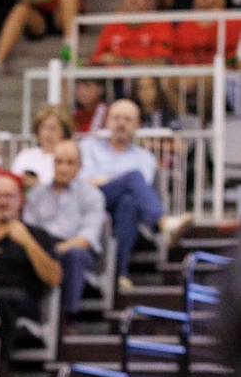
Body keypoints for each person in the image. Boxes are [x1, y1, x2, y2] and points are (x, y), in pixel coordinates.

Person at [79, 99, 190, 292]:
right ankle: (163, 223)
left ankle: (119, 274)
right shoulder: (88, 147)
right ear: (107, 121)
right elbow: (81, 182)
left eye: (127, 119)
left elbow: (139, 191)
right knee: (133, 178)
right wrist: (112, 181)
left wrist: (106, 179)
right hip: (90, 203)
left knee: (129, 202)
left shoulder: (144, 157)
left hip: (121, 205)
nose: (121, 123)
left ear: (137, 125)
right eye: (116, 118)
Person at [0, 175, 62, 365]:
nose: (2, 202)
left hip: (23, 301)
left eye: (8, 196)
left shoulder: (37, 235)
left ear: (20, 200)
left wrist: (27, 242)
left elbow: (54, 278)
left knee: (2, 299)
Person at [23, 140, 107, 319]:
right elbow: (28, 228)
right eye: (59, 162)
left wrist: (54, 250)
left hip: (77, 249)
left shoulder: (92, 195)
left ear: (80, 166)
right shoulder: (37, 193)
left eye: (70, 163)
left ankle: (68, 317)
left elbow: (87, 238)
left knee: (73, 255)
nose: (63, 168)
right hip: (42, 246)